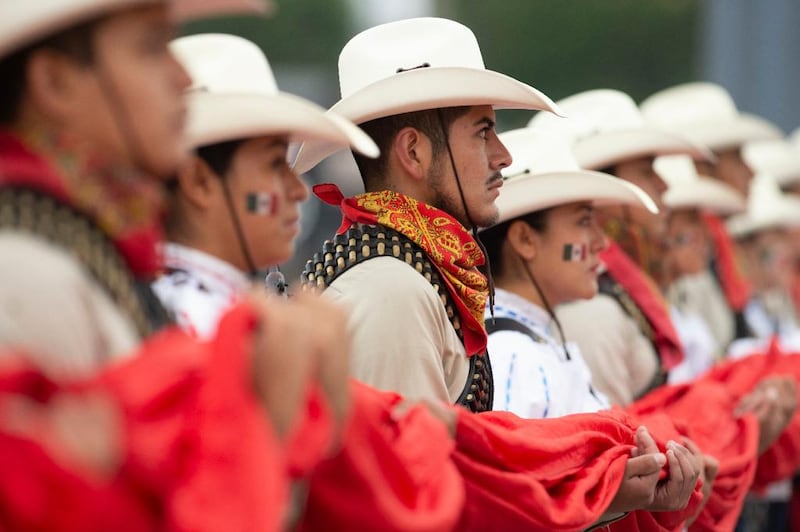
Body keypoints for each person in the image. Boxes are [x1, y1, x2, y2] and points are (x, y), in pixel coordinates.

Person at [294, 17, 703, 530]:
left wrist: (602, 492)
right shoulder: (392, 287)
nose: (503, 155)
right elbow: (405, 506)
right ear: (414, 152)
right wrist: (595, 493)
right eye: (483, 132)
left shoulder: (403, 270)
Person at [0, 2, 355, 530]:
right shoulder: (30, 278)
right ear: (54, 81)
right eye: (149, 46)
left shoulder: (86, 253)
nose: (181, 74)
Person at [153, 32, 465, 531]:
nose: (294, 194)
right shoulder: (181, 320)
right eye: (273, 166)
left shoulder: (210, 305)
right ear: (198, 182)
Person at [641, 82, 784, 350]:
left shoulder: (714, 252)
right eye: (738, 157)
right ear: (702, 166)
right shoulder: (690, 259)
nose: (750, 171)